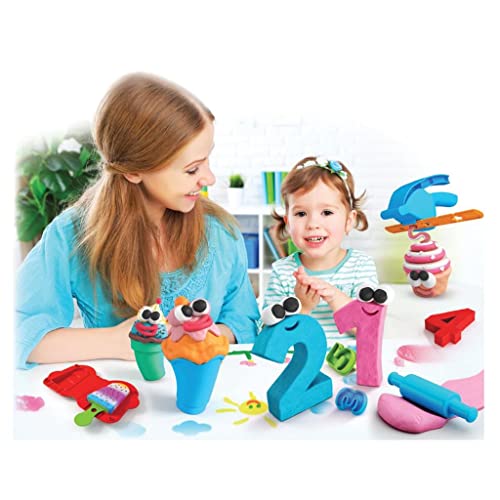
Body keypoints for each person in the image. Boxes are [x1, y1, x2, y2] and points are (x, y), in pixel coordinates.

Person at [16, 73, 260, 369]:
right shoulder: (71, 235)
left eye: (207, 160)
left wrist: (204, 337)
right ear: (133, 171)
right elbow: (19, 332)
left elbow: (243, 320)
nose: (209, 178)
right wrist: (114, 341)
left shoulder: (221, 232)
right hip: (120, 393)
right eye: (192, 169)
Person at [263, 156, 378, 339]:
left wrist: (334, 297)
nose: (313, 224)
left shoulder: (361, 266)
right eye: (301, 213)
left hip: (348, 357)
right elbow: (270, 337)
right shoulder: (282, 272)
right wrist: (302, 307)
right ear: (288, 223)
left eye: (327, 212)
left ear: (349, 221)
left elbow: (369, 329)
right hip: (298, 357)